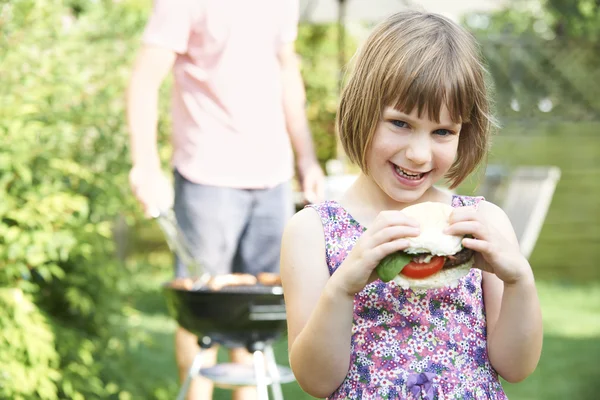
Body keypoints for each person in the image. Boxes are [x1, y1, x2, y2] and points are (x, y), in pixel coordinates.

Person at [280, 11, 543, 400]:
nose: (419, 154)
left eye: (442, 132)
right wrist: (342, 289)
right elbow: (316, 382)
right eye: (400, 123)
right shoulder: (312, 232)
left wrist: (519, 280)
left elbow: (515, 366)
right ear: (362, 109)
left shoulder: (479, 222)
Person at [126, 0, 325, 399]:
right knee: (202, 313)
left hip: (272, 177)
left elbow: (287, 73)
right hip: (207, 174)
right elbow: (144, 80)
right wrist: (145, 166)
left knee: (255, 317)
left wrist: (307, 159)